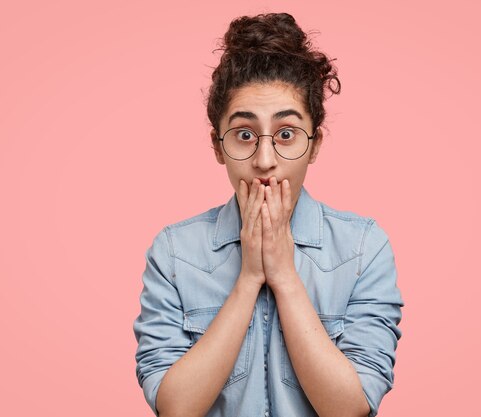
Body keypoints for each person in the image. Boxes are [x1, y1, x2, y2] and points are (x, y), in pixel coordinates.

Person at [133, 12, 404, 417]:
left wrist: (283, 275)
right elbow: (175, 408)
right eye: (244, 134)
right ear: (217, 145)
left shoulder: (364, 248)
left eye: (286, 135)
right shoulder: (174, 253)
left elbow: (351, 409)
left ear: (314, 145)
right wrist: (248, 279)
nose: (264, 160)